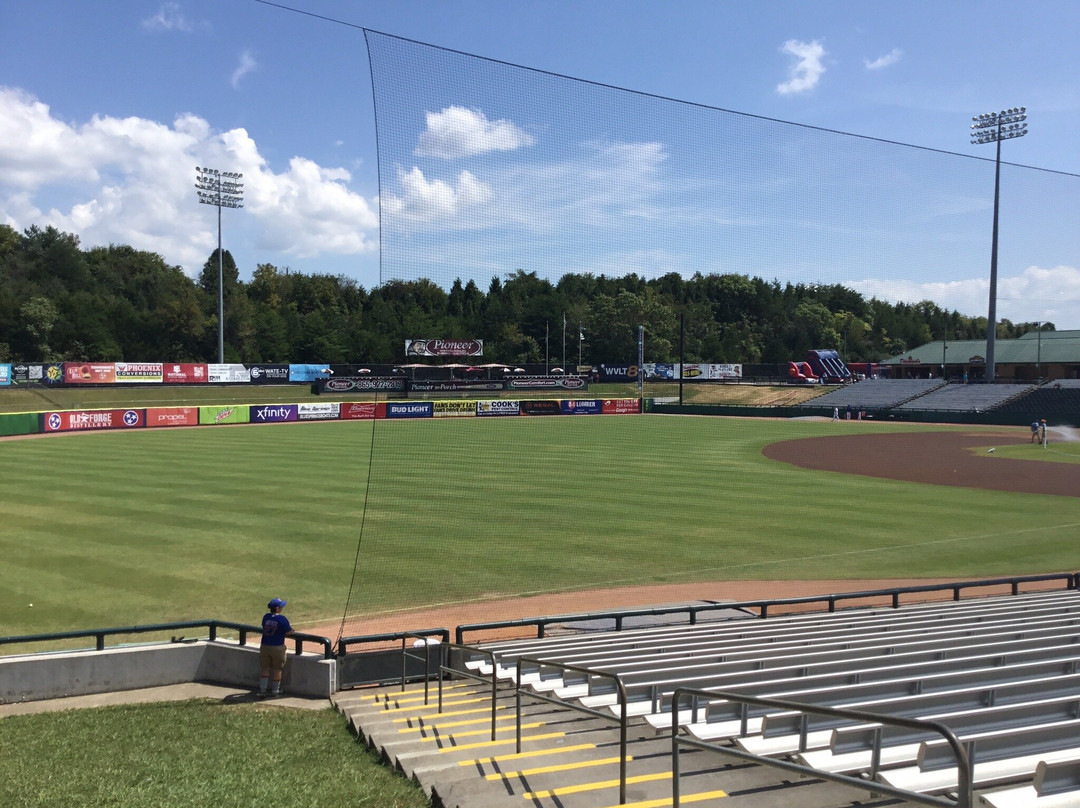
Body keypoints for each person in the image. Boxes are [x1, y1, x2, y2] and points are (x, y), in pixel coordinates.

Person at [258, 597, 294, 698]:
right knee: (277, 669)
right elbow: (288, 632)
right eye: (281, 606)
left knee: (265, 668)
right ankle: (275, 691)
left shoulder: (266, 617)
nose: (282, 608)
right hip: (277, 647)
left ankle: (262, 690)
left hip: (265, 646)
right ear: (277, 608)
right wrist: (292, 631)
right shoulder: (282, 619)